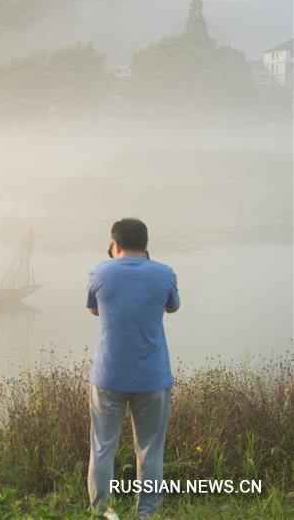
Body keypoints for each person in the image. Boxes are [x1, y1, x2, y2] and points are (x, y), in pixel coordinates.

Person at [86, 218, 180, 517]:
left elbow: (93, 308)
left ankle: (103, 513)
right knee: (150, 452)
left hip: (107, 376)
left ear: (115, 244)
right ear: (146, 245)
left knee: (102, 449)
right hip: (152, 378)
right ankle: (146, 514)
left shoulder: (100, 271)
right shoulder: (164, 273)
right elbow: (172, 306)